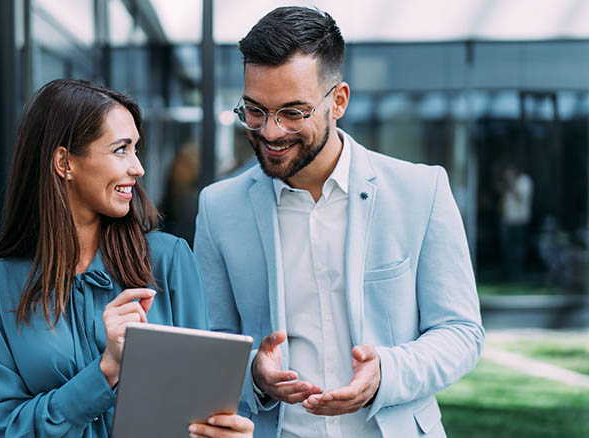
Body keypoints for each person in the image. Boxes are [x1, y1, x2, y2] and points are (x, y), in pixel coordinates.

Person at [194, 7, 484, 438]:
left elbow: (460, 333)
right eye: (255, 111)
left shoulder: (421, 190)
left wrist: (385, 372)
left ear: (339, 101)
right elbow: (209, 343)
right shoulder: (219, 207)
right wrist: (254, 375)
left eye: (293, 113)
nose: (271, 132)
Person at [0, 79, 254, 438]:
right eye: (121, 150)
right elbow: (8, 429)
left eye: (136, 149)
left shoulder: (168, 261)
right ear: (64, 162)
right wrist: (107, 369)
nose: (138, 168)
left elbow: (203, 408)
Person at [499, 163, 534, 281]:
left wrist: (511, 183)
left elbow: (520, 198)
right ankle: (508, 273)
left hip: (519, 220)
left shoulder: (524, 181)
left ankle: (517, 273)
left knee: (518, 249)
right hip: (508, 220)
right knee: (507, 249)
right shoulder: (508, 184)